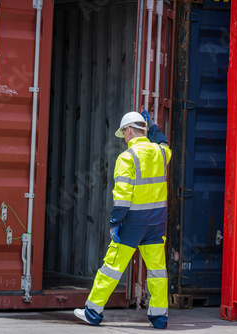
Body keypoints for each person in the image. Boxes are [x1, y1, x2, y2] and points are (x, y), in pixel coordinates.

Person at [74, 110, 172, 329]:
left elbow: (122, 197)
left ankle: (93, 311)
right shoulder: (161, 153)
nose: (124, 138)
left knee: (112, 267)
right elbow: (164, 143)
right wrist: (153, 127)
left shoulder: (127, 157)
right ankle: (159, 317)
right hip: (157, 223)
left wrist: (115, 223)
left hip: (132, 223)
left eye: (124, 134)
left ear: (129, 130)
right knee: (157, 270)